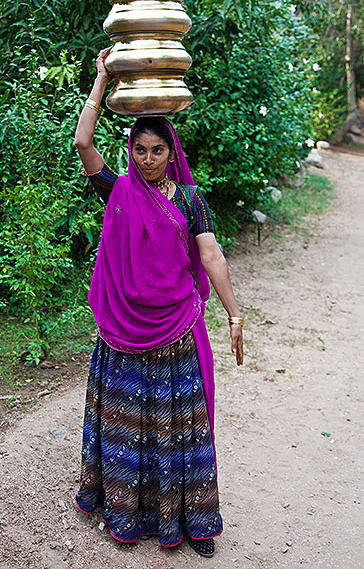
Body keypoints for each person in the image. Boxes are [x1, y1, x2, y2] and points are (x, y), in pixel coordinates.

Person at [74, 47, 244, 558]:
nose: (148, 159)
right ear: (132, 151)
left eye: (157, 150)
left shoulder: (191, 200)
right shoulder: (120, 188)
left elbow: (210, 255)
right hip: (125, 327)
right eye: (140, 150)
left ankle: (190, 521)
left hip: (175, 328)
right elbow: (83, 141)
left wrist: (234, 312)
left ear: (172, 152)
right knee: (131, 423)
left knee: (181, 427)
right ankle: (127, 508)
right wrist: (103, 79)